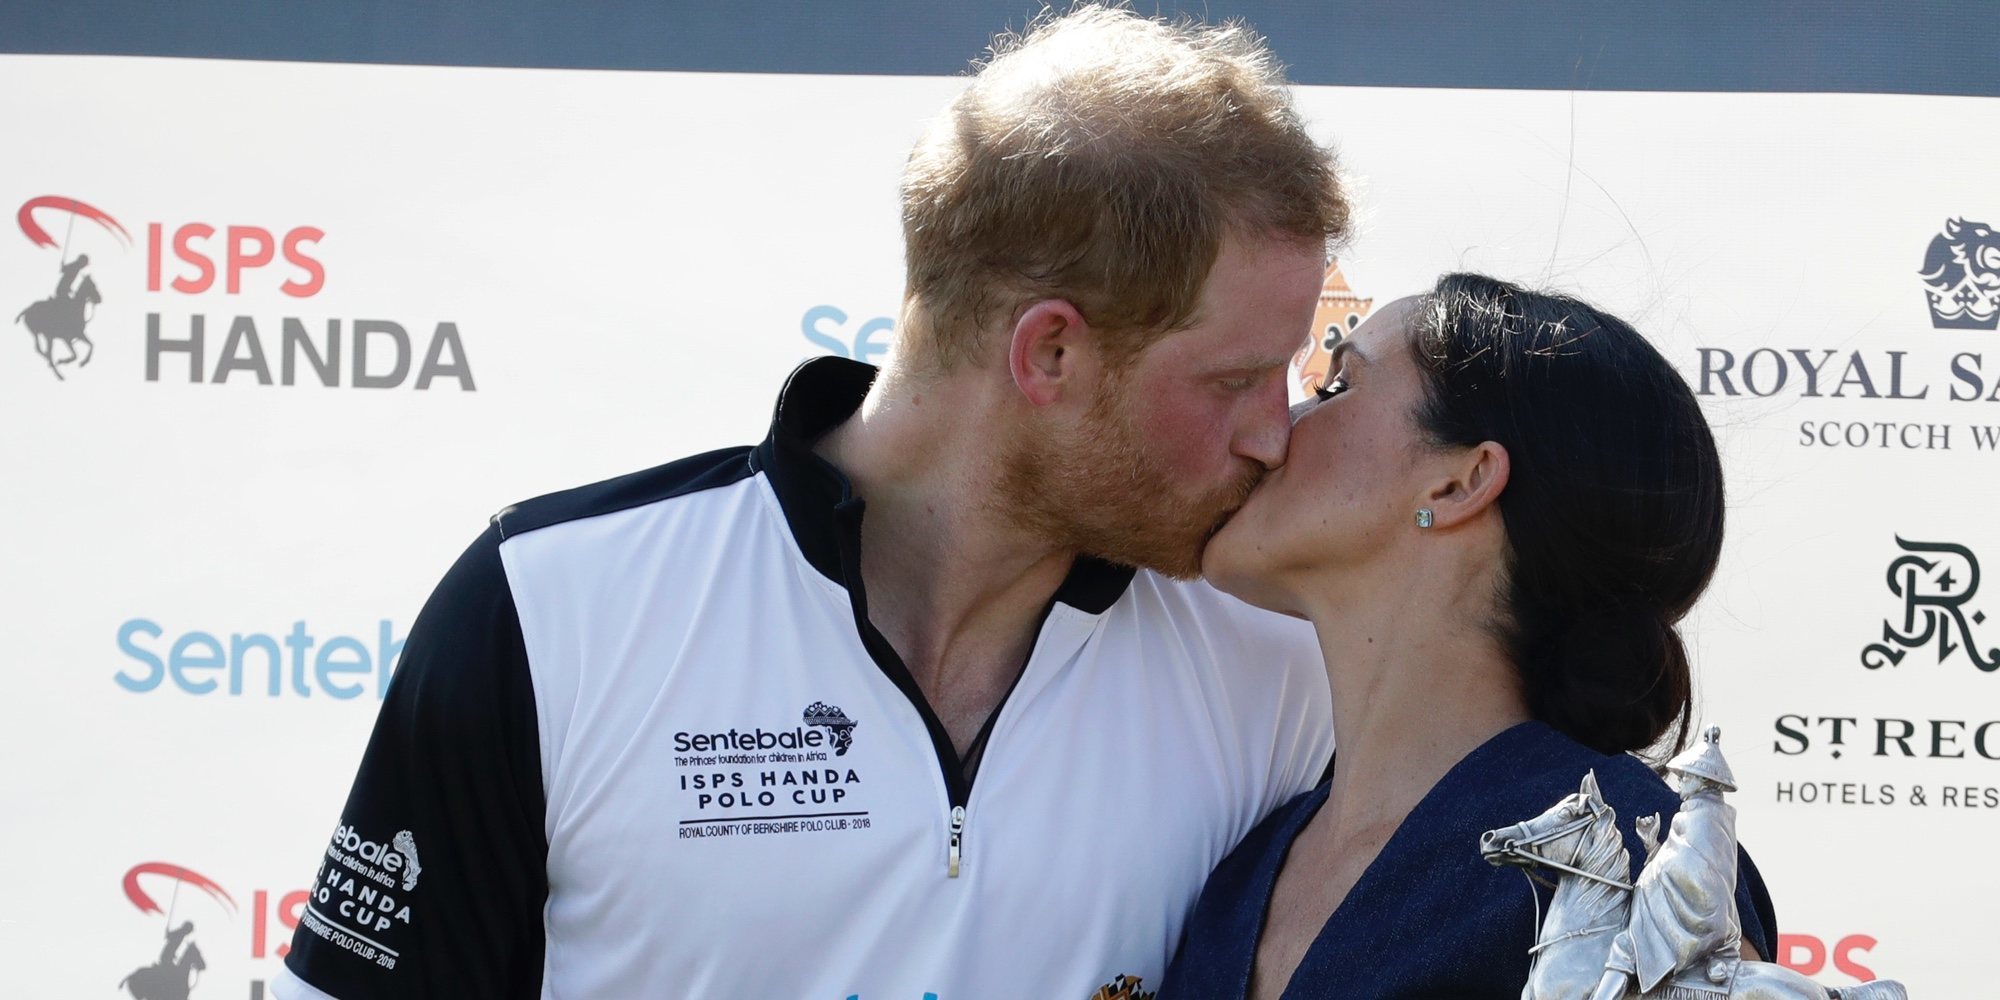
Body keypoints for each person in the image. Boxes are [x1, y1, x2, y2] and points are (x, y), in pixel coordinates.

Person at [274, 7, 1348, 999]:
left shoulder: (1286, 666)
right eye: (1231, 380)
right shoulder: (553, 605)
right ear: (1050, 352)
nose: (1274, 429)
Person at [1159, 274, 1778, 999]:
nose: (1272, 431)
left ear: (1459, 484)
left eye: (1337, 388)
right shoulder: (1246, 866)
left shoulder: (1631, 860)